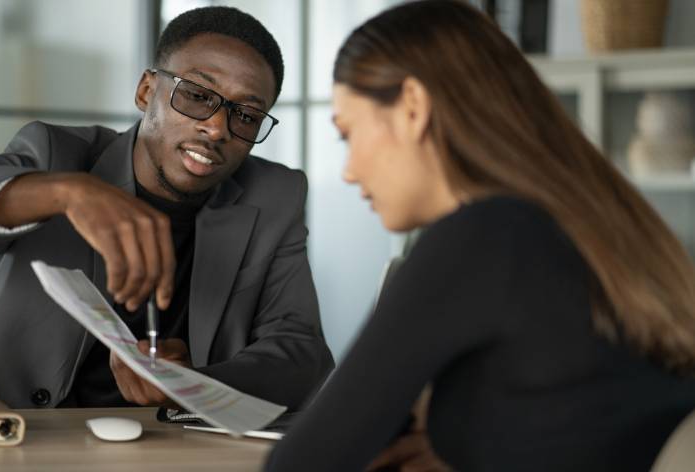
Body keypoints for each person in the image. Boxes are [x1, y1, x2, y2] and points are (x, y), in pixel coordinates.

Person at [265, 1, 695, 471]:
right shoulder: (579, 228)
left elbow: (301, 463)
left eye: (348, 133)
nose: (348, 171)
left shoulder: (482, 236)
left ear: (412, 107)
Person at [0, 6, 333, 411]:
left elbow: (302, 352)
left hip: (165, 450)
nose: (217, 128)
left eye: (247, 115)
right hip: (7, 436)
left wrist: (196, 383)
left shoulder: (274, 194)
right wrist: (64, 192)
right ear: (145, 90)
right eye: (198, 94)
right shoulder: (55, 155)